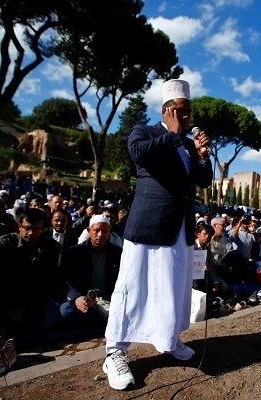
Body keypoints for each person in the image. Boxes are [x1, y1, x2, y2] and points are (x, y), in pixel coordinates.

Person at [103, 79, 213, 390]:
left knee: (175, 286)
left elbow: (202, 181)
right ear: (165, 111)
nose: (186, 117)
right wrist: (175, 135)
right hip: (149, 225)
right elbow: (140, 155)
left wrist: (202, 155)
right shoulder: (145, 132)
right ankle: (115, 351)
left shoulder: (189, 144)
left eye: (188, 111)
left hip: (179, 228)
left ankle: (169, 339)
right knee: (133, 286)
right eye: (180, 111)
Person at [59, 215, 121, 327]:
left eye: (104, 231)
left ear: (109, 232)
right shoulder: (76, 252)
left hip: (109, 299)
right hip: (86, 299)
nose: (100, 235)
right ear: (89, 231)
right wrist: (77, 298)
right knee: (67, 310)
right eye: (96, 231)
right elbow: (67, 280)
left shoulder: (117, 253)